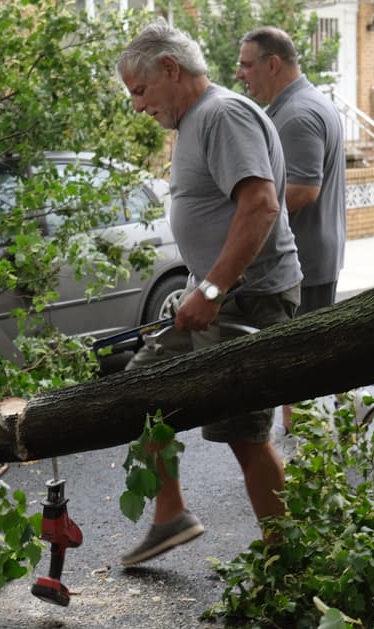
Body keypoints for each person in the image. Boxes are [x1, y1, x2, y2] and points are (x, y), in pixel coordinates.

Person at [116, 20, 301, 565]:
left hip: (250, 299)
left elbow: (261, 205)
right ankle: (170, 513)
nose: (136, 105)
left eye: (140, 90)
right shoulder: (197, 121)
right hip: (216, 296)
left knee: (244, 433)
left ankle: (288, 557)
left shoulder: (222, 115)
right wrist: (203, 288)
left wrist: (215, 288)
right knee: (140, 395)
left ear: (170, 68)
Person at [235, 27, 374, 436]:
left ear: (273, 63)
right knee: (311, 345)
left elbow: (303, 189)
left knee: (302, 350)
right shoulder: (308, 103)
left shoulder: (297, 114)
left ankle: (316, 427)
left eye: (247, 65)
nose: (241, 74)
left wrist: (247, 209)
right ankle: (337, 414)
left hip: (305, 256)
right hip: (316, 250)